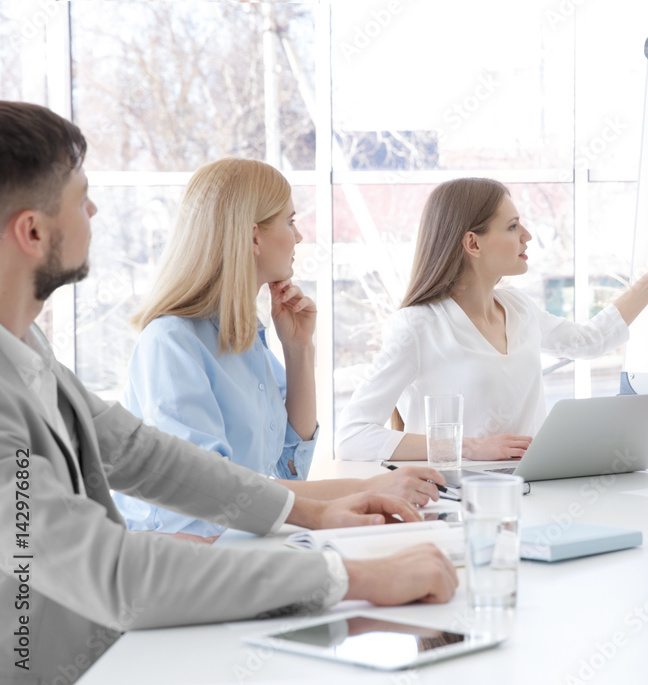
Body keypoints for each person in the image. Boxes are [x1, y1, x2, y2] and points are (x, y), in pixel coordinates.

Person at [0, 102, 457, 683]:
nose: (94, 209)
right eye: (81, 196)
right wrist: (351, 577)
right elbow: (112, 574)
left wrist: (315, 512)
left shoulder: (29, 350)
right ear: (33, 230)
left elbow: (143, 455)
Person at [112, 158, 445, 540]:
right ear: (254, 237)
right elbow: (210, 497)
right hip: (180, 561)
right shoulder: (171, 342)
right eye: (290, 221)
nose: (299, 237)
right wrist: (367, 488)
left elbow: (288, 469)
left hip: (238, 545)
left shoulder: (244, 337)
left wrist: (299, 350)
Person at [335, 177, 648, 461]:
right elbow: (352, 435)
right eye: (513, 226)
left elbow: (590, 341)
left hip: (533, 490)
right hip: (457, 502)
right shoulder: (418, 326)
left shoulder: (518, 308)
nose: (527, 236)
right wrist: (468, 447)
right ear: (473, 243)